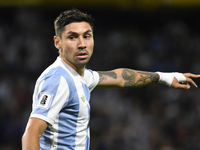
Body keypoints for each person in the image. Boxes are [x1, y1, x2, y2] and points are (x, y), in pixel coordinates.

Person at [22, 8, 200, 150]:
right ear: (57, 42)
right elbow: (31, 133)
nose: (82, 44)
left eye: (87, 36)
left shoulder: (79, 75)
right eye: (72, 37)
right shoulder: (58, 79)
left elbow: (120, 77)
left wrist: (165, 77)